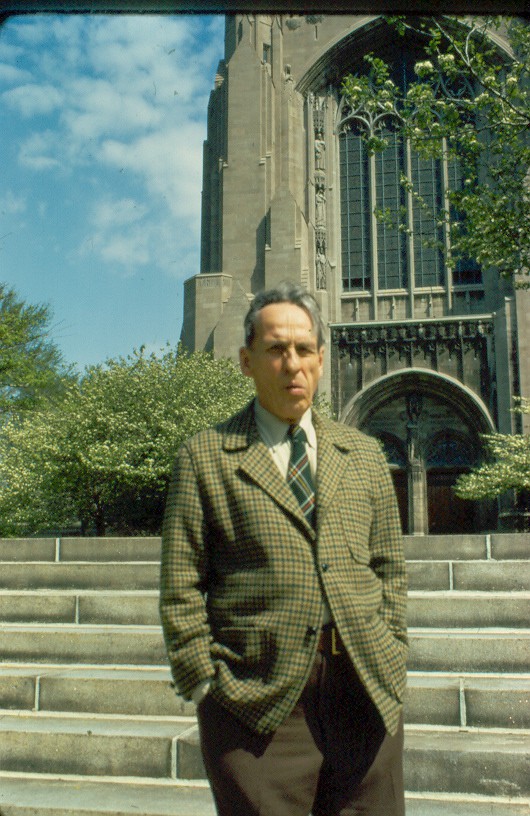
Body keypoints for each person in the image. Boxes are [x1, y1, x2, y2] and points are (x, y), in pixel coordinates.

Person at [160, 282, 408, 816]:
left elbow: (389, 567)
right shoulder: (205, 457)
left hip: (365, 694)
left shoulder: (363, 454)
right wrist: (202, 679)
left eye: (303, 349)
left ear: (322, 358)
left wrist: (394, 651)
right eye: (275, 349)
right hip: (257, 706)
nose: (291, 363)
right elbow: (181, 583)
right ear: (246, 361)